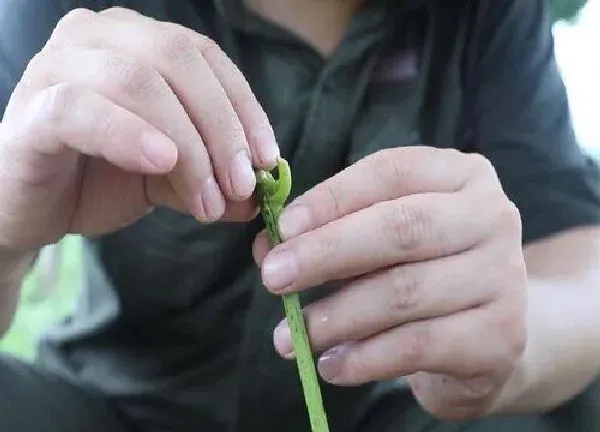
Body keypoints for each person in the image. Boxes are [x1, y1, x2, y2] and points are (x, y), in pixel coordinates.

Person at [0, 0, 599, 431]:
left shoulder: (488, 18)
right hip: (107, 404)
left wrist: (512, 339)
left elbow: (581, 263)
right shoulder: (65, 20)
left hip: (390, 412)